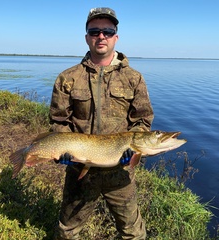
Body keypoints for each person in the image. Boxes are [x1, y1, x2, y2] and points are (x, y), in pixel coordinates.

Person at [49, 7, 154, 240]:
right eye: (94, 31)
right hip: (80, 170)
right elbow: (58, 121)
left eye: (107, 31)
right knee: (67, 233)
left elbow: (142, 120)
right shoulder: (68, 77)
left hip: (120, 172)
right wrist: (62, 147)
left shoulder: (133, 78)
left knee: (132, 234)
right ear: (87, 37)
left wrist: (134, 148)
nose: (101, 36)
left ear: (116, 36)